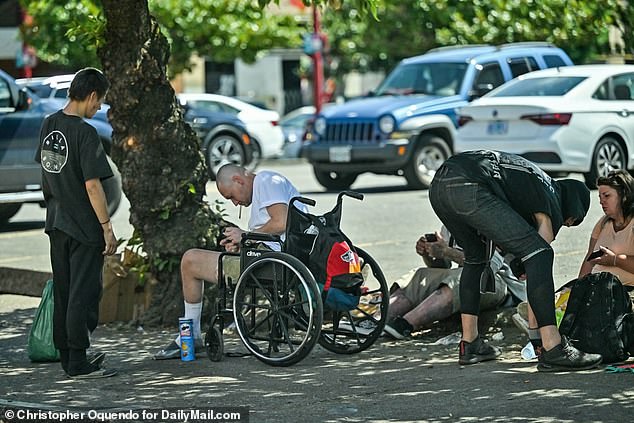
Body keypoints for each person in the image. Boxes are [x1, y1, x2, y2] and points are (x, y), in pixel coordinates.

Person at [429, 150, 602, 372]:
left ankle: (470, 343)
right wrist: (537, 339)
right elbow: (538, 254)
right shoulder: (552, 195)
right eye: (570, 222)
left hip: (440, 184)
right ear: (572, 209)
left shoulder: (531, 183)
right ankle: (554, 347)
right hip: (470, 183)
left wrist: (520, 261)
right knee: (541, 254)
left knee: (476, 257)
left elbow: (517, 249)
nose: (565, 225)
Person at [154, 164, 307, 359]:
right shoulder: (268, 183)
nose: (234, 203)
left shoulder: (266, 180)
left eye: (231, 196)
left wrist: (245, 235)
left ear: (238, 180)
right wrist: (243, 242)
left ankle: (191, 334)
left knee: (190, 260)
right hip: (275, 257)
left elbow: (281, 222)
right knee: (198, 258)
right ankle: (192, 333)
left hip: (272, 263)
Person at [35, 68, 117, 378]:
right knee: (84, 293)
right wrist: (106, 226)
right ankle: (79, 362)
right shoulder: (85, 133)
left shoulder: (49, 125)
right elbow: (93, 186)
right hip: (83, 225)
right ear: (92, 95)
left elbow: (47, 170)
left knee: (65, 290)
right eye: (100, 102)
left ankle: (68, 357)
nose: (98, 109)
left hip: (56, 221)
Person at [384, 226, 526, 339]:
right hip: (468, 274)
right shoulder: (451, 216)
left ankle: (406, 324)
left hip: (500, 283)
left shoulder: (485, 218)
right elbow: (441, 268)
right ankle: (379, 320)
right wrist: (429, 253)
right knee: (419, 275)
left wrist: (447, 252)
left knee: (463, 278)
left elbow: (486, 265)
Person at [579, 170, 634, 286]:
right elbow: (589, 260)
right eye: (600, 197)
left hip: (626, 295)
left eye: (607, 196)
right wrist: (579, 289)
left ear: (624, 195)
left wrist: (614, 260)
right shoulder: (603, 223)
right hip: (598, 291)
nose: (601, 201)